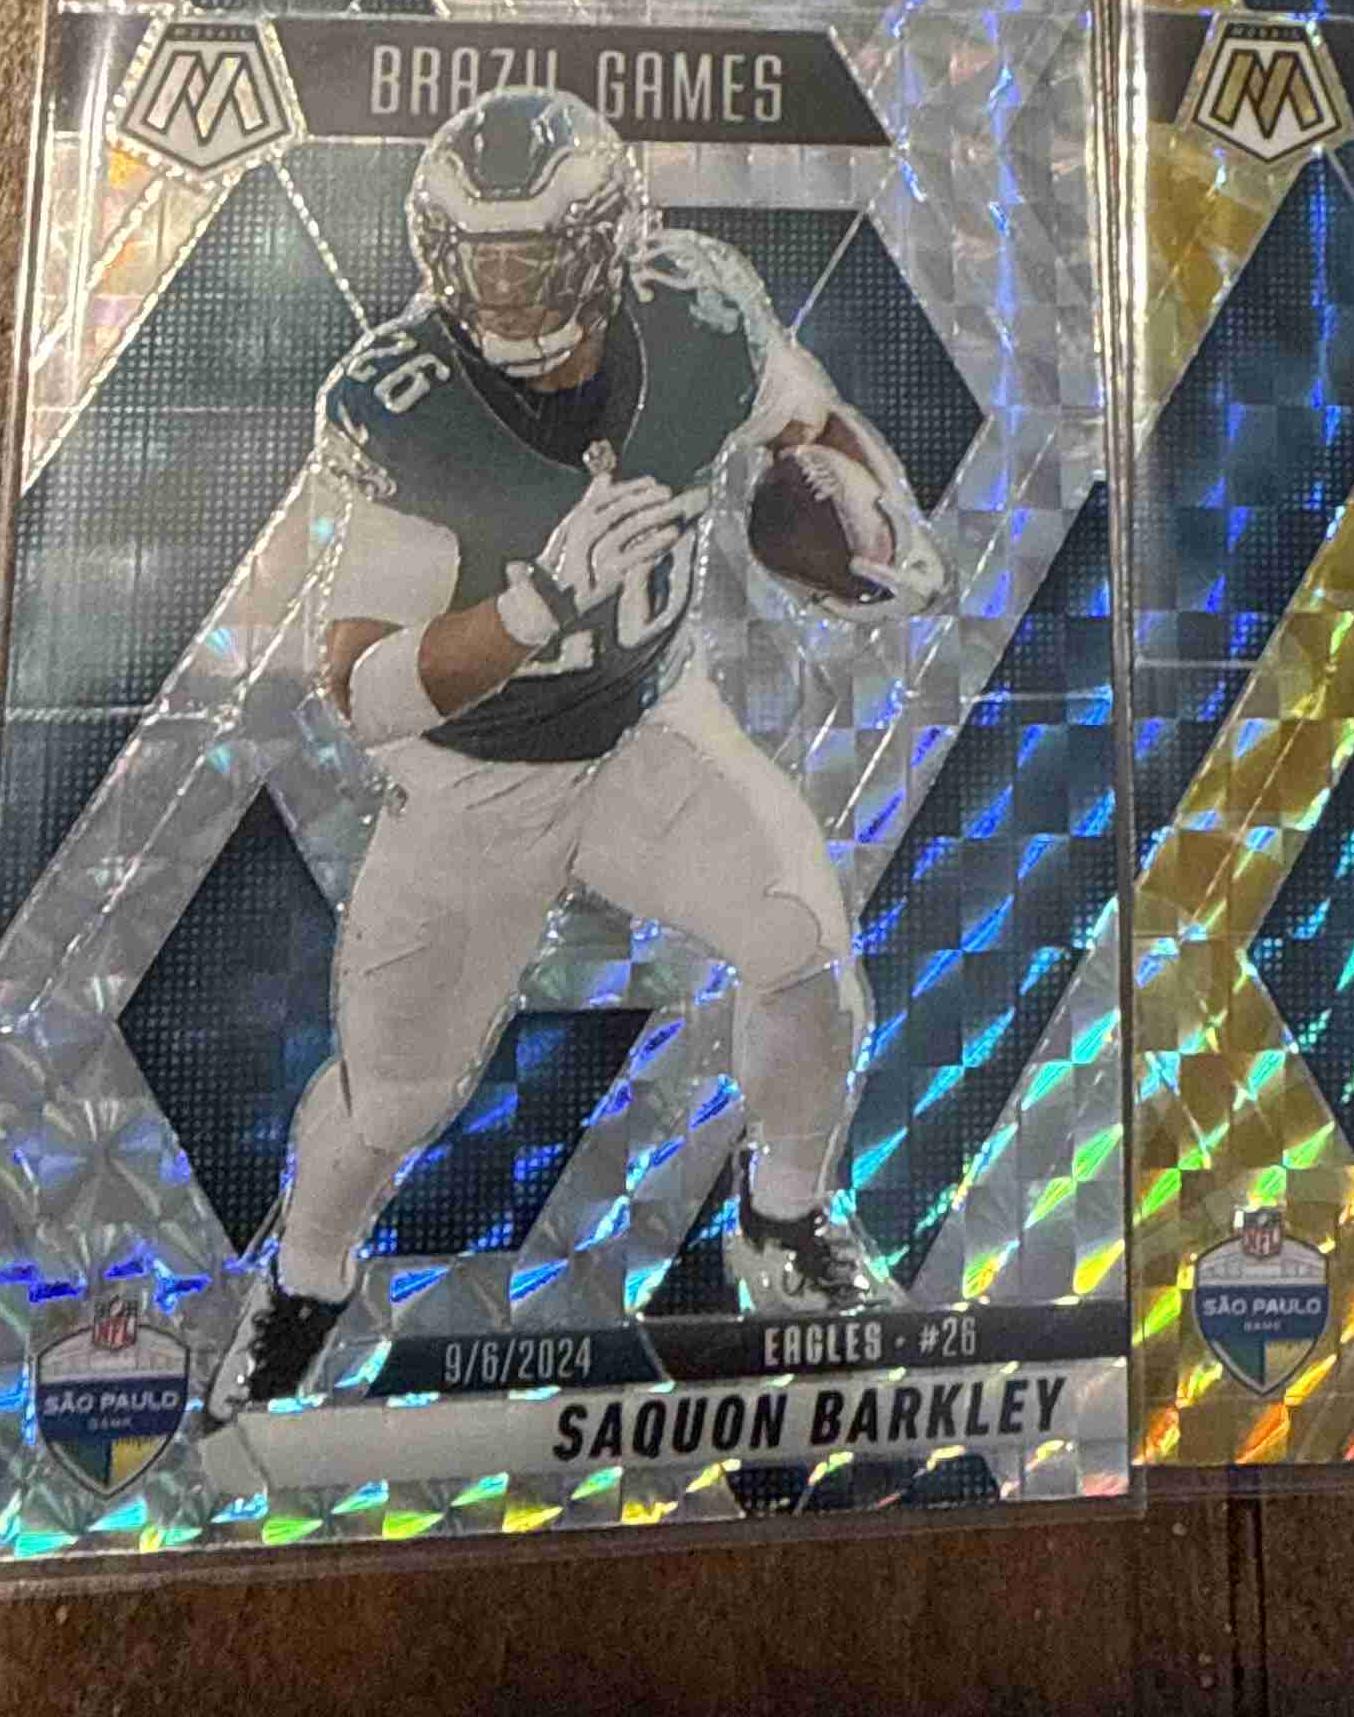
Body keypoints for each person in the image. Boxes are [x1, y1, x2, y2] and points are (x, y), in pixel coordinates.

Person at [206, 85, 941, 1423]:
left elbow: (808, 421)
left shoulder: (700, 308)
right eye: (480, 259)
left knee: (807, 955)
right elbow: (364, 688)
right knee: (396, 1100)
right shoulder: (409, 401)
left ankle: (783, 1222)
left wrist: (875, 516)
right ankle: (303, 1284)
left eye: (535, 255)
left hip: (650, 723)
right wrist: (539, 603)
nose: (506, 290)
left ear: (606, 243)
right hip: (474, 780)